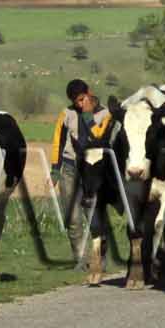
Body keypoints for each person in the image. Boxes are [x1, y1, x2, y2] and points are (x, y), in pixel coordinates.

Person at [49, 79, 111, 267]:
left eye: (82, 99)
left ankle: (99, 254)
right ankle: (80, 259)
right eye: (75, 101)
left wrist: (87, 116)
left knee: (93, 214)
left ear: (89, 93)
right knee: (72, 217)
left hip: (93, 170)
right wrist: (54, 170)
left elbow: (98, 135)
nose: (79, 104)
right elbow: (58, 142)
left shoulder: (105, 114)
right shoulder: (66, 114)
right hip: (69, 169)